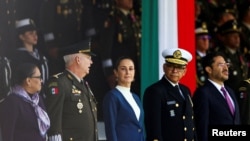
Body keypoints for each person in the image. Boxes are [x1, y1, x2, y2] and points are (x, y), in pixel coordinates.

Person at [44, 39, 98, 141]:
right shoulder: (59, 83)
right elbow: (54, 117)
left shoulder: (84, 84)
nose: (91, 62)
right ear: (78, 59)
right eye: (88, 58)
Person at [143, 48, 197, 141]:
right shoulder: (155, 91)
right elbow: (154, 129)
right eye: (171, 66)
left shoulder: (185, 90)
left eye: (179, 67)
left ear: (185, 71)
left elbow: (190, 123)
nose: (175, 70)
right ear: (164, 67)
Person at [192, 52, 241, 141]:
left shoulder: (231, 92)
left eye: (226, 64)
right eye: (221, 65)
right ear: (209, 69)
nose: (226, 68)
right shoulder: (203, 93)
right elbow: (202, 128)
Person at [99, 0, 141, 95]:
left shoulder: (132, 18)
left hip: (134, 71)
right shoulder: (112, 18)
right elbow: (106, 49)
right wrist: (109, 73)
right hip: (119, 72)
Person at [0, 63, 50, 141]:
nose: (42, 81)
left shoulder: (37, 99)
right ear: (28, 81)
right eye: (39, 77)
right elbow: (7, 133)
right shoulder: (12, 102)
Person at [102, 56, 145, 141]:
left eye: (131, 69)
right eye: (123, 69)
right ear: (116, 73)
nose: (128, 72)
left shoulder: (136, 97)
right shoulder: (112, 96)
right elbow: (110, 129)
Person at [9, 18, 49, 83]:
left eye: (35, 33)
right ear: (21, 37)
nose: (35, 35)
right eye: (31, 33)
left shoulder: (40, 55)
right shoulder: (18, 57)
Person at [195, 21, 211, 87]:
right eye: (203, 38)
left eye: (208, 38)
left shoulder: (212, 56)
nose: (206, 41)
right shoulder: (194, 58)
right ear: (195, 39)